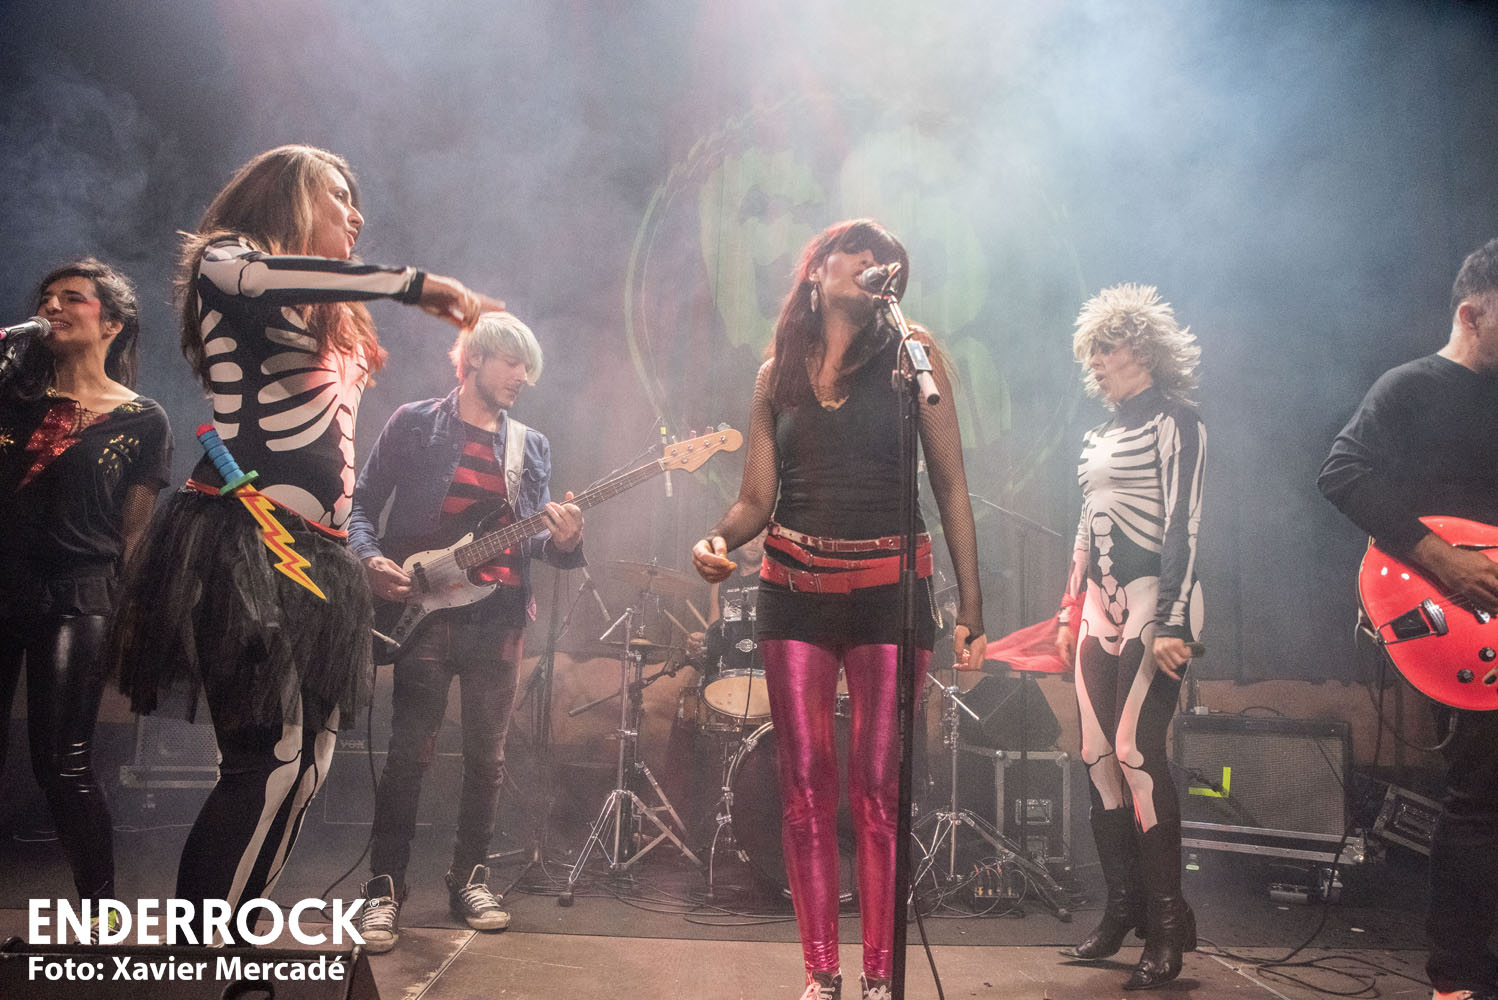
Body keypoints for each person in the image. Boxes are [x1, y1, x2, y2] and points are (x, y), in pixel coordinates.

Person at [111, 144, 504, 938]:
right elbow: (264, 281)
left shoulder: (331, 308)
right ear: (287, 196)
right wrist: (417, 285)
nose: (354, 214)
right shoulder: (228, 261)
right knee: (270, 759)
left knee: (306, 766)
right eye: (336, 196)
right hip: (245, 536)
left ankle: (238, 938)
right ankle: (200, 954)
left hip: (319, 553)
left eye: (357, 202)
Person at [691, 219, 986, 1000]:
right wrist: (717, 539)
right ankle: (822, 975)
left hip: (892, 589)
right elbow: (756, 499)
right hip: (794, 587)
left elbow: (952, 486)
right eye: (860, 251)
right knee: (804, 787)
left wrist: (972, 607)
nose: (875, 262)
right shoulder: (775, 376)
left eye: (888, 259)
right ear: (819, 268)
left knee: (879, 790)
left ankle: (880, 978)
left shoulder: (912, 358)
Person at [347, 312, 584, 953]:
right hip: (425, 611)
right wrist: (370, 558)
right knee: (408, 756)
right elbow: (361, 503)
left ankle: (470, 879)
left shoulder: (530, 446)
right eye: (512, 362)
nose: (522, 376)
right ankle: (383, 890)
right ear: (475, 357)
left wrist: (565, 541)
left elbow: (532, 540)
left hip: (498, 616)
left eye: (528, 367)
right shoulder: (414, 423)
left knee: (488, 760)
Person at [1319, 238, 1498, 1000]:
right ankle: (1455, 976)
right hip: (1462, 617)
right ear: (1471, 314)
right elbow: (1341, 473)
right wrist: (1443, 560)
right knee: (1481, 791)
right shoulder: (1412, 387)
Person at [0, 259, 172, 935]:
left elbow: (132, 535)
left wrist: (127, 619)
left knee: (61, 763)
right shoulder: (12, 398)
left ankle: (100, 916)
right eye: (46, 297)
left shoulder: (142, 419)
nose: (53, 307)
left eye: (72, 298)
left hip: (77, 591)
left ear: (112, 323)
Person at [1054, 283, 1204, 991]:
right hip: (1099, 606)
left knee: (1135, 751)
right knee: (1095, 754)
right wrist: (1067, 610)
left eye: (1106, 348)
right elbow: (1086, 525)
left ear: (1139, 349)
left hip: (1153, 602)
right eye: (1092, 351)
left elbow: (1186, 523)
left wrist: (1172, 619)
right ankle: (1123, 910)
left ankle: (1167, 926)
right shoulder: (1099, 435)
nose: (1096, 362)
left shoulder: (1179, 422)